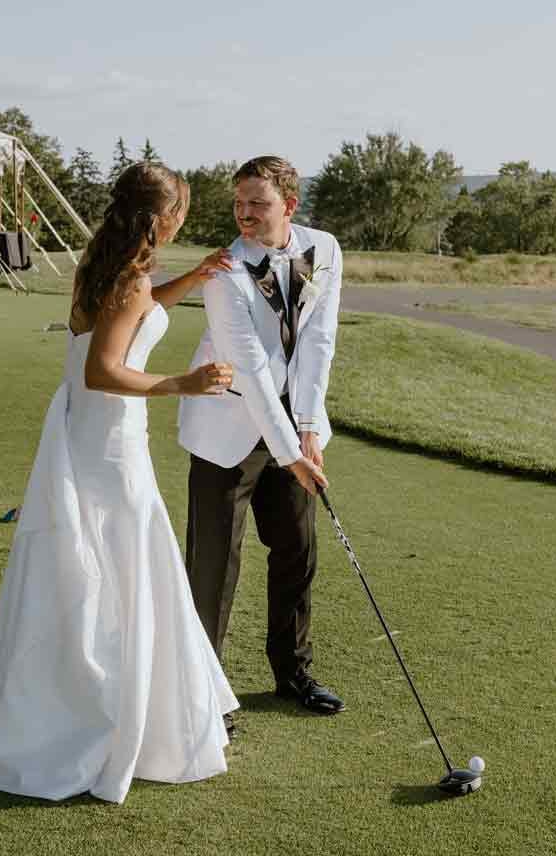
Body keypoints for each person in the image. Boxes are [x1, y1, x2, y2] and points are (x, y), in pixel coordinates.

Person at [0, 162, 238, 804]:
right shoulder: (124, 279)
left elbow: (137, 314)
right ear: (161, 219)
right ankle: (106, 713)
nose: (182, 222)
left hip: (91, 433)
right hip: (108, 437)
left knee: (105, 552)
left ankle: (85, 694)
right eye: (180, 212)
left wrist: (192, 281)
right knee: (119, 554)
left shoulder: (112, 271)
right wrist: (182, 383)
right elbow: (102, 369)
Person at [178, 155, 343, 732]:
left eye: (258, 204)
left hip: (293, 426)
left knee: (298, 551)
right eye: (238, 204)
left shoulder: (325, 248)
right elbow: (247, 365)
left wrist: (307, 430)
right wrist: (289, 452)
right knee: (214, 566)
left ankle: (293, 672)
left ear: (289, 207)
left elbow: (318, 341)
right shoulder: (224, 271)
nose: (244, 215)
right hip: (227, 428)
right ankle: (206, 692)